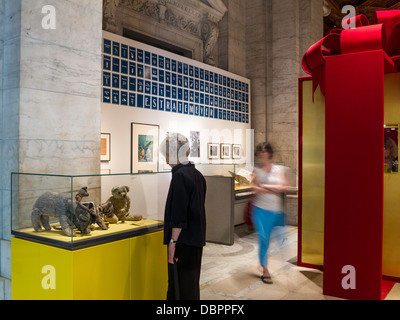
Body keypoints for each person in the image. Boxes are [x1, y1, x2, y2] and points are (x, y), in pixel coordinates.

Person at [160, 132, 207, 300]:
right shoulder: (197, 174)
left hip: (183, 241)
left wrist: (173, 242)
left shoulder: (180, 176)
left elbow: (179, 214)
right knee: (190, 285)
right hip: (195, 239)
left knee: (178, 286)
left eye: (166, 154)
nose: (165, 159)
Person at [251, 142, 287, 284]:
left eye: (265, 151)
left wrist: (264, 186)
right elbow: (255, 189)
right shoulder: (256, 170)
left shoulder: (279, 169)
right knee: (264, 239)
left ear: (270, 153)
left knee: (280, 242)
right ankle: (265, 268)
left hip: (276, 211)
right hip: (259, 210)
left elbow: (282, 187)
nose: (262, 153)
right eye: (260, 151)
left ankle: (264, 262)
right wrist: (273, 188)